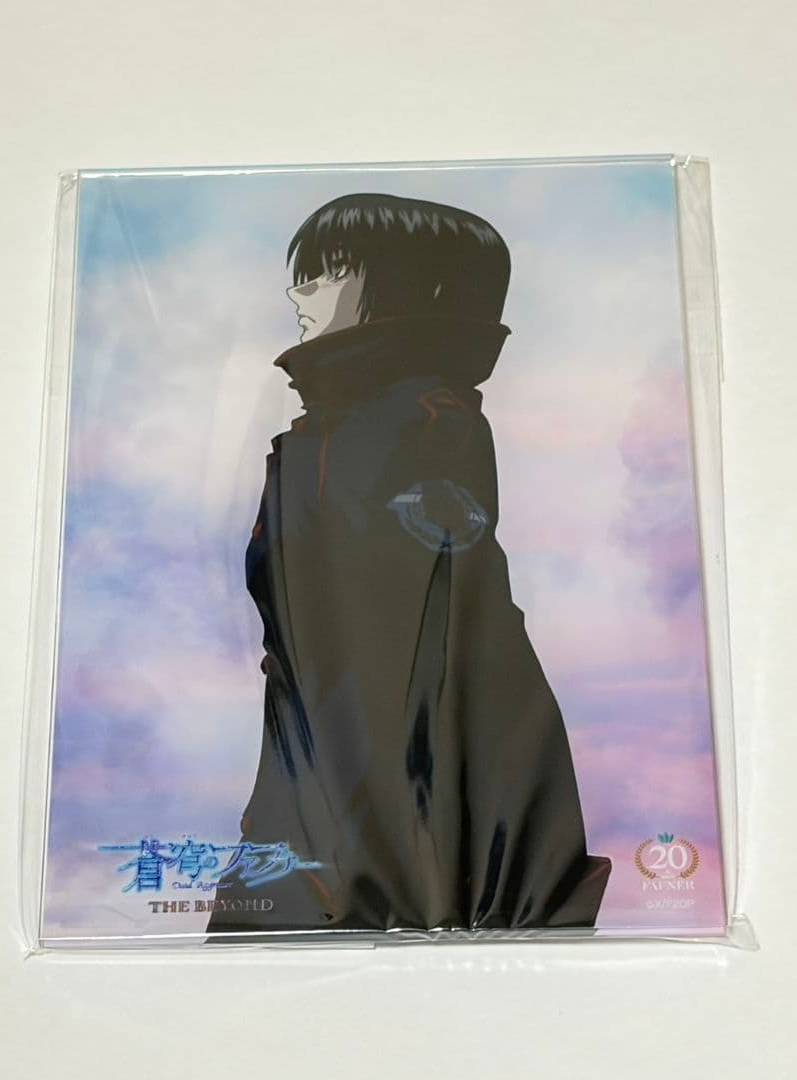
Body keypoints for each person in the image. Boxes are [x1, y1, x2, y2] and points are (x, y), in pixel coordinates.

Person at [206, 193, 610, 937]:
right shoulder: (324, 437)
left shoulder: (422, 426)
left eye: (331, 272)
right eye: (305, 274)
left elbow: (416, 638)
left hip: (405, 787)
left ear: (407, 288)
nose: (299, 293)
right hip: (324, 766)